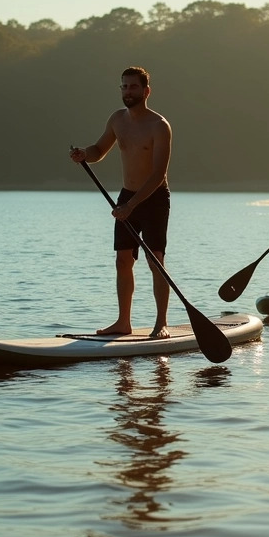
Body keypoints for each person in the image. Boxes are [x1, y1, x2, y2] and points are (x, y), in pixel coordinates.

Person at [69, 66, 173, 337]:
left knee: (155, 261)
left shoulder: (159, 126)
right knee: (122, 261)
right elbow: (99, 150)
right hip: (127, 196)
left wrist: (132, 206)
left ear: (146, 91)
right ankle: (123, 323)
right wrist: (84, 154)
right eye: (124, 87)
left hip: (153, 199)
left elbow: (158, 173)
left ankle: (161, 323)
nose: (128, 92)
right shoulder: (117, 120)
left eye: (133, 87)